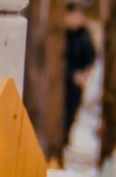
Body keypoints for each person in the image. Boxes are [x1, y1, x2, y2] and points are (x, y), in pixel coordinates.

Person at [62, 0, 98, 156]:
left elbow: (91, 57)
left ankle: (64, 140)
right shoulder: (62, 36)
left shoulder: (84, 35)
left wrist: (83, 75)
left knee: (71, 112)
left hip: (75, 84)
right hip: (63, 81)